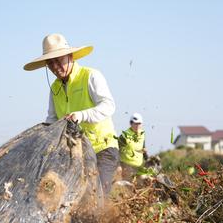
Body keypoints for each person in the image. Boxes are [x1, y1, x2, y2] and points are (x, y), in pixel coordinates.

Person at [23, 33, 119, 195]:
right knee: (74, 197)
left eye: (58, 60)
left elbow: (109, 106)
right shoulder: (55, 88)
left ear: (70, 56)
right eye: (50, 63)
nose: (55, 67)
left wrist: (81, 115)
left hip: (103, 148)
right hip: (76, 153)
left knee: (98, 194)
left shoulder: (90, 76)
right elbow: (52, 120)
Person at [118, 113, 148, 180]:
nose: (137, 126)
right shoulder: (124, 135)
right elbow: (117, 149)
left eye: (139, 123)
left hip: (139, 166)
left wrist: (147, 158)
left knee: (145, 181)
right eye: (135, 124)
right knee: (129, 186)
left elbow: (143, 148)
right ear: (131, 124)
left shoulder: (142, 134)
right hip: (127, 166)